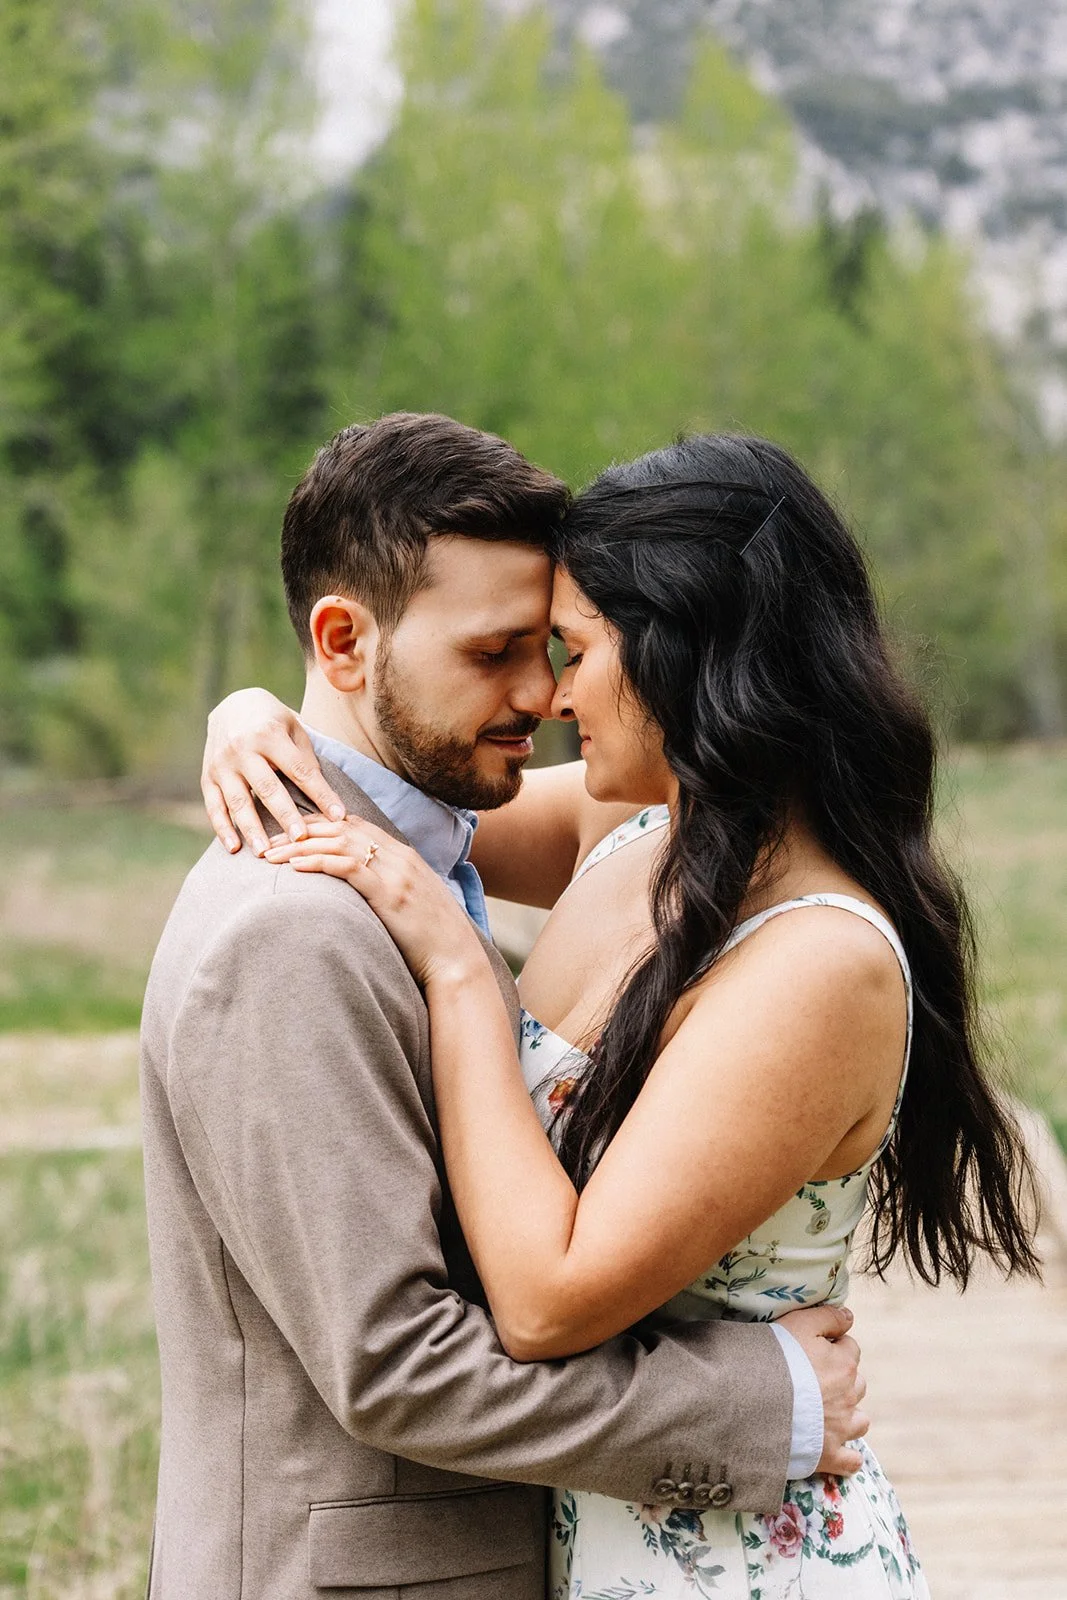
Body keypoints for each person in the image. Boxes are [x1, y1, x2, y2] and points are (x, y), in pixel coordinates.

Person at [208, 431, 1038, 1600]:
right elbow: (381, 784)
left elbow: (548, 1301)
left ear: (685, 658)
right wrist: (253, 712)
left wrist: (459, 970)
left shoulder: (816, 964)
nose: (550, 696)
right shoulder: (634, 831)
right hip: (596, 1529)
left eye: (577, 651)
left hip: (732, 1563)